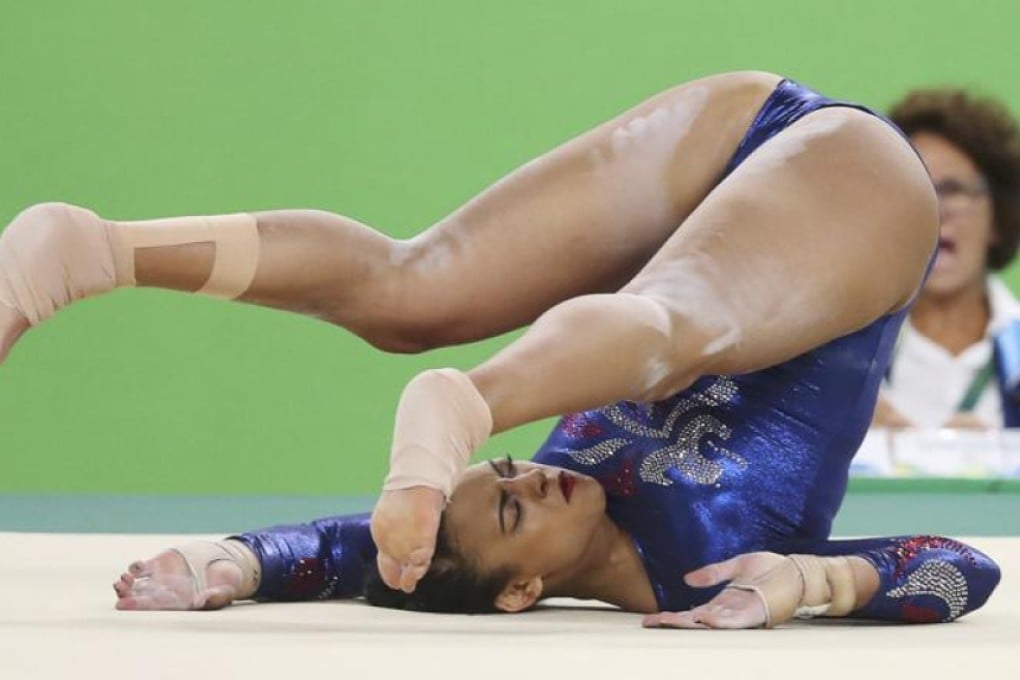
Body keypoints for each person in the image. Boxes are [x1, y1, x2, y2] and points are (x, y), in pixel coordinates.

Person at [0, 71, 1000, 628]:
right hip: (859, 201)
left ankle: (460, 396)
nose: (541, 475)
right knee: (460, 302)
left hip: (746, 142)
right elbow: (960, 570)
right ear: (526, 590)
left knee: (503, 301)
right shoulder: (708, 570)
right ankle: (105, 250)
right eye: (514, 503)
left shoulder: (530, 506)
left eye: (507, 469)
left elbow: (362, 549)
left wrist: (231, 561)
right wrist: (812, 583)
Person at [872, 88, 1020, 431]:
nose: (935, 211)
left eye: (953, 190)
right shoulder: (840, 364)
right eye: (916, 188)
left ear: (998, 217)